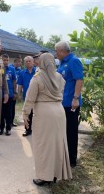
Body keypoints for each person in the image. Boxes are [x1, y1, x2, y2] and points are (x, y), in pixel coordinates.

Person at [22, 53, 72, 186]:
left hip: (44, 114)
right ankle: (55, 173)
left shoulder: (37, 78)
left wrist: (25, 114)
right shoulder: (59, 77)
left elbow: (30, 99)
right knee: (57, 144)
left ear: (42, 62)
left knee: (43, 145)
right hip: (59, 112)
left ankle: (44, 177)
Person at [55, 41, 83, 168]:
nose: (56, 54)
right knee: (63, 131)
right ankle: (64, 156)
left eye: (57, 51)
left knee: (71, 131)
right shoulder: (62, 62)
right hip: (62, 102)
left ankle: (72, 160)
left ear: (62, 51)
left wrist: (76, 98)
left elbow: (79, 80)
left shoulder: (73, 61)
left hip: (71, 103)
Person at [0, 54, 16, 136]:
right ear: (1, 60)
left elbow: (14, 81)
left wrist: (15, 92)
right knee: (0, 113)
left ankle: (8, 128)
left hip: (10, 94)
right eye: (4, 60)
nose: (5, 62)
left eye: (7, 60)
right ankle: (0, 128)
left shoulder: (12, 69)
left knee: (9, 113)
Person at [17, 56, 36, 136]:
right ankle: (27, 130)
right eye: (26, 61)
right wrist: (19, 94)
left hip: (37, 97)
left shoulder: (38, 71)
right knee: (27, 114)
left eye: (29, 61)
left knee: (37, 114)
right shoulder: (22, 72)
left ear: (33, 62)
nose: (28, 62)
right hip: (27, 97)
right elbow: (20, 84)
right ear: (24, 63)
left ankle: (37, 130)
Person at [9, 56, 22, 127]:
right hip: (8, 90)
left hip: (15, 90)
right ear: (15, 62)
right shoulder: (10, 68)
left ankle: (11, 122)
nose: (19, 64)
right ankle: (6, 122)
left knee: (13, 107)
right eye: (18, 62)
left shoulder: (19, 70)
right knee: (7, 108)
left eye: (20, 62)